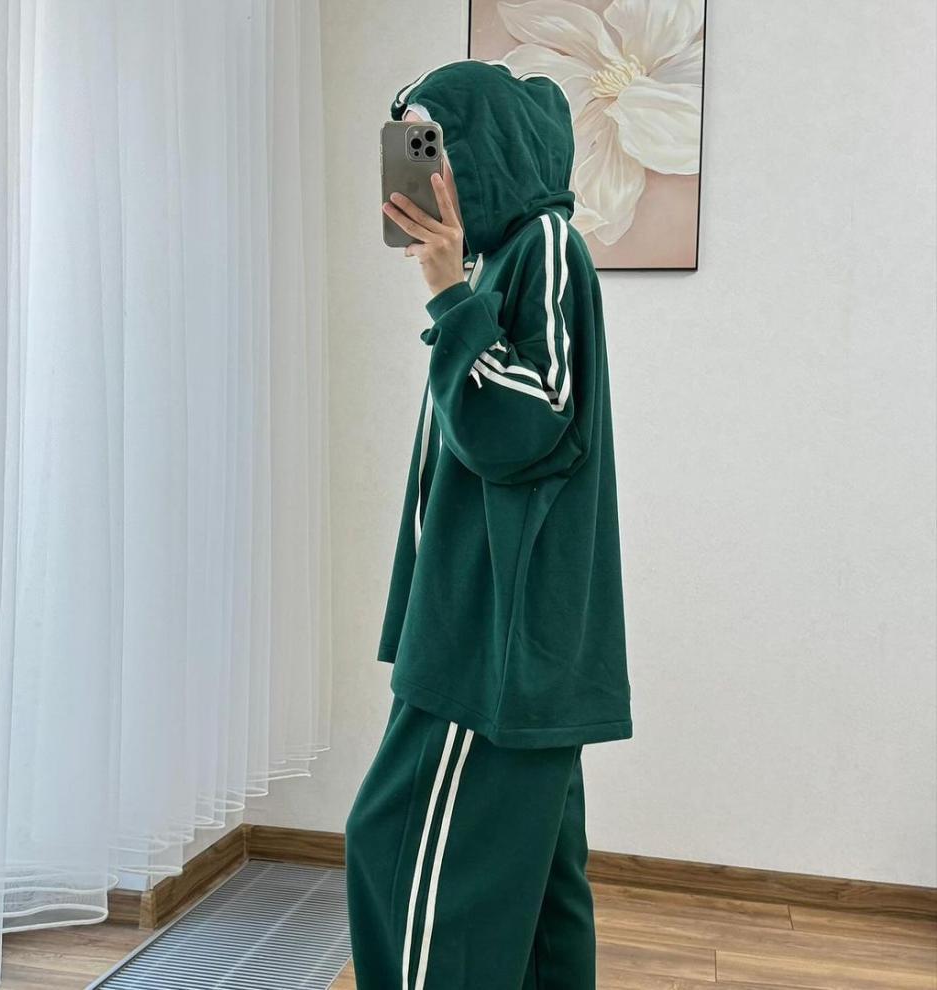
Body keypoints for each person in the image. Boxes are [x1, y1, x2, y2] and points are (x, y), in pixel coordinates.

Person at [344, 58, 631, 989]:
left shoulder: (545, 246)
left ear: (484, 152)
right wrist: (455, 284)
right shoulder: (506, 259)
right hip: (503, 635)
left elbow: (526, 425)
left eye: (436, 149)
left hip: (494, 643)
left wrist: (446, 293)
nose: (424, 174)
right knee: (538, 892)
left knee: (402, 856)